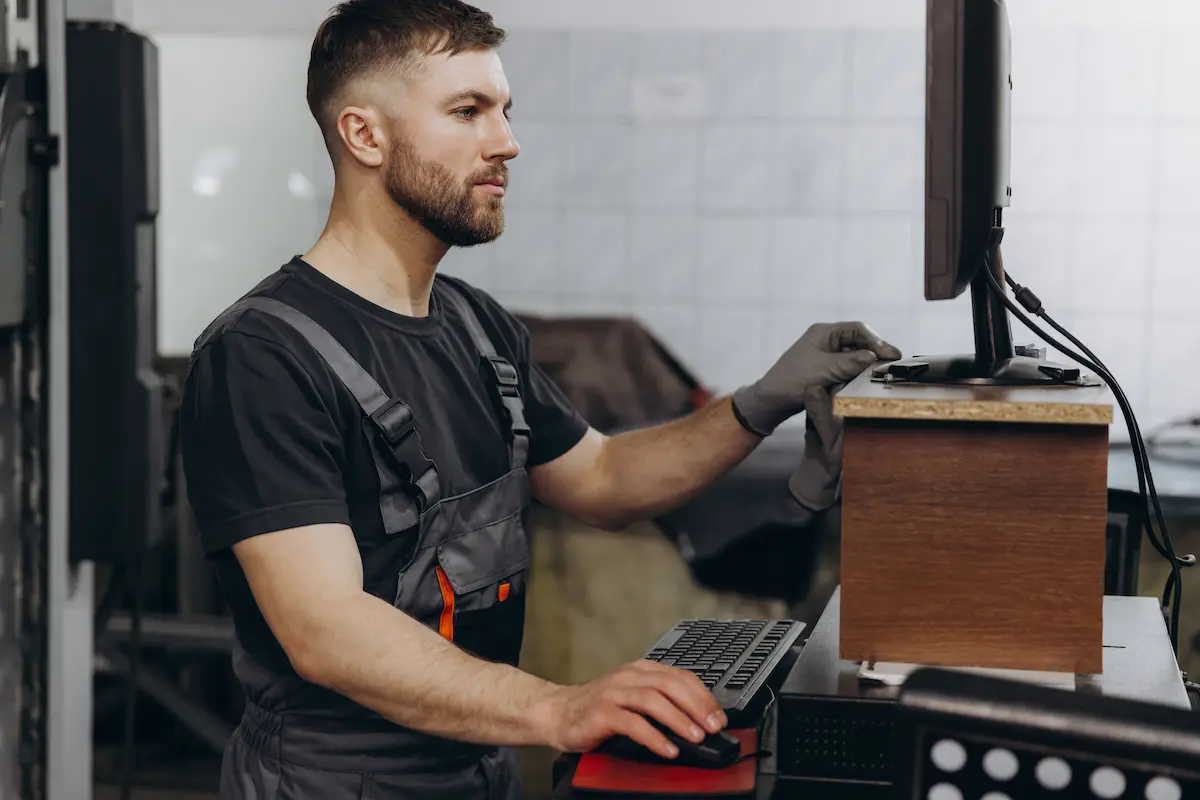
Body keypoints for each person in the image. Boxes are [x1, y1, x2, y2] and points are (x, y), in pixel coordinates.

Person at [178, 0, 903, 797]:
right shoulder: (263, 356)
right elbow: (326, 629)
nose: (507, 142)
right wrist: (561, 709)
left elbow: (600, 478)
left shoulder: (479, 328)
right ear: (365, 136)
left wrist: (760, 403)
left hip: (479, 766)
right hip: (331, 781)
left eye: (505, 111)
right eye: (469, 111)